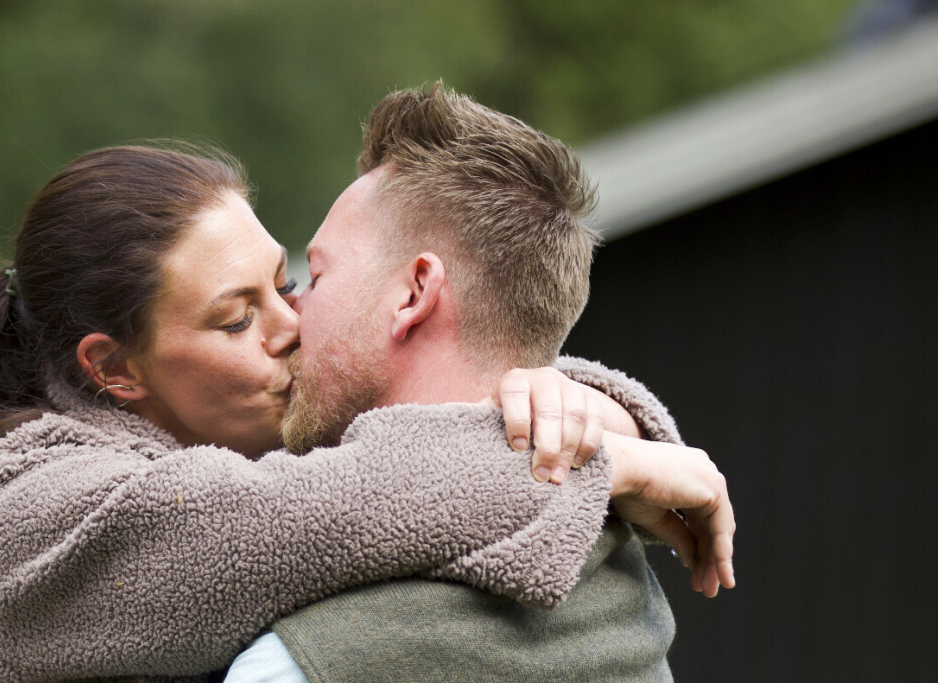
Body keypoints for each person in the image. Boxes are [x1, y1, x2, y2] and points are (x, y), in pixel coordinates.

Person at [0, 144, 733, 682]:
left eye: (287, 282)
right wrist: (607, 460)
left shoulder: (231, 440)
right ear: (113, 368)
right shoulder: (28, 508)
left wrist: (587, 405)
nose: (292, 326)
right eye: (236, 318)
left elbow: (385, 453)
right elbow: (348, 500)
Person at [226, 84, 735, 681]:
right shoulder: (627, 600)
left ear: (415, 293)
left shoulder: (299, 665)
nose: (294, 316)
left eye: (315, 276)